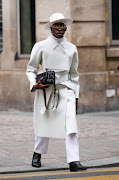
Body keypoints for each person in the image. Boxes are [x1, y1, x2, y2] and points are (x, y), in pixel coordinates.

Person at [26, 13, 87, 172]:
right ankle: (37, 154)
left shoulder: (72, 48)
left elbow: (74, 74)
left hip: (66, 91)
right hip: (46, 90)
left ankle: (74, 161)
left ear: (66, 28)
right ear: (51, 28)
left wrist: (76, 95)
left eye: (62, 26)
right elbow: (31, 69)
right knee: (44, 125)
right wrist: (35, 84)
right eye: (56, 26)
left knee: (71, 126)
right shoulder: (40, 46)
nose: (60, 29)